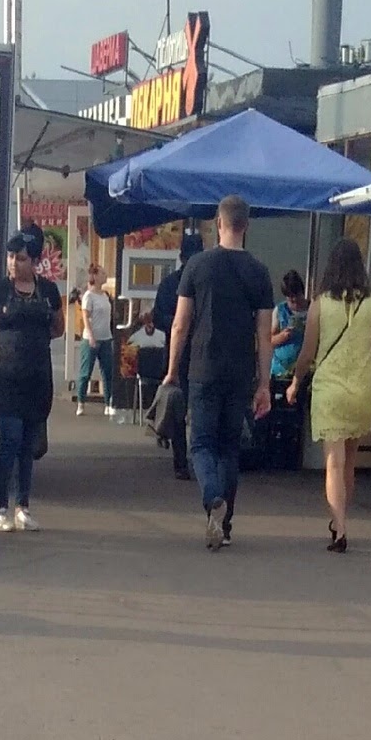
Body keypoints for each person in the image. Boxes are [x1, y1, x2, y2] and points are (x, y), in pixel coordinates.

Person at [164, 195, 275, 550]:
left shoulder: (197, 266)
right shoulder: (259, 271)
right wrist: (264, 383)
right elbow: (264, 333)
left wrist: (171, 370)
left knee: (201, 442)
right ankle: (224, 526)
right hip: (240, 371)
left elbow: (180, 324)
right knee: (229, 446)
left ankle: (212, 497)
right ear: (247, 226)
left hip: (203, 367)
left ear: (218, 223)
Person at [287, 239, 371, 554]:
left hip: (330, 389)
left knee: (333, 464)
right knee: (349, 462)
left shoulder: (320, 305)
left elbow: (307, 353)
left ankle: (340, 527)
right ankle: (341, 519)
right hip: (361, 388)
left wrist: (296, 382)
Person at [0, 230, 65, 533]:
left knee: (27, 445)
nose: (13, 263)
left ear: (34, 261)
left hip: (37, 379)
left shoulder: (48, 291)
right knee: (9, 440)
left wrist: (31, 340)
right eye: (10, 257)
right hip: (4, 377)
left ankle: (23, 506)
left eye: (20, 258)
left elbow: (59, 328)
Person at [152, 230, 204, 481]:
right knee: (190, 406)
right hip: (194, 352)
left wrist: (175, 323)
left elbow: (159, 317)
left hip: (182, 352)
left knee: (180, 408)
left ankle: (184, 460)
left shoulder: (173, 283)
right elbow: (158, 316)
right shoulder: (179, 284)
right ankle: (189, 459)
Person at [76, 264, 116, 418]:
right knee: (86, 372)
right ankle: (81, 402)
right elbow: (85, 316)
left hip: (106, 337)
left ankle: (108, 403)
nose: (105, 276)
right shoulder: (88, 296)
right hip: (91, 338)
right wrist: (91, 335)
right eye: (103, 273)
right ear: (95, 276)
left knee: (107, 372)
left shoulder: (105, 295)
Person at [270, 270, 309, 381]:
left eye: (297, 295)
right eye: (290, 297)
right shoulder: (280, 310)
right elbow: (269, 340)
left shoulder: (312, 310)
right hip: (280, 371)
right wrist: (281, 336)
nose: (294, 299)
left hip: (305, 372)